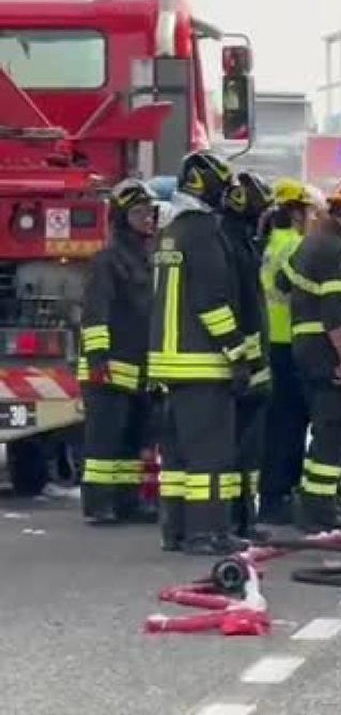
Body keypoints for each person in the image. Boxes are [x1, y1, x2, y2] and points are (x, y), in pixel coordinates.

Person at [149, 150, 250, 555]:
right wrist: (237, 354)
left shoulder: (170, 233)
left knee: (178, 458)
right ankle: (207, 531)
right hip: (203, 363)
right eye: (222, 187)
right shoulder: (205, 233)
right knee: (211, 454)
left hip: (169, 363)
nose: (227, 195)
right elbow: (212, 302)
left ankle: (176, 530)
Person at [280, 179, 341, 533]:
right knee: (335, 431)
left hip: (306, 348)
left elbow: (282, 282)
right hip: (329, 350)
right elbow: (336, 315)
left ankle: (315, 504)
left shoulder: (311, 244)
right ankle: (319, 510)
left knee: (324, 429)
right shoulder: (333, 250)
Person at [79, 178, 158, 525]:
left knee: (131, 439)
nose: (147, 219)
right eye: (139, 213)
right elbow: (96, 312)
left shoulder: (148, 258)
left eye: (150, 212)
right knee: (104, 442)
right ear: (122, 217)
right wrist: (98, 359)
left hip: (139, 366)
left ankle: (127, 501)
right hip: (109, 367)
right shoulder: (107, 261)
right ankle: (99, 504)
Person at [220, 171, 275, 540]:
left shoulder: (240, 242)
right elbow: (238, 307)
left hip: (253, 361)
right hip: (244, 362)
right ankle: (237, 519)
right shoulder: (234, 246)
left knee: (249, 448)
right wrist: (245, 359)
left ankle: (243, 518)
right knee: (239, 447)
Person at [258, 178, 315, 524]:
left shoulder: (263, 242)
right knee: (291, 425)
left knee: (271, 425)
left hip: (266, 343)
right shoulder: (296, 246)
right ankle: (279, 498)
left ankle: (270, 493)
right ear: (296, 212)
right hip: (290, 343)